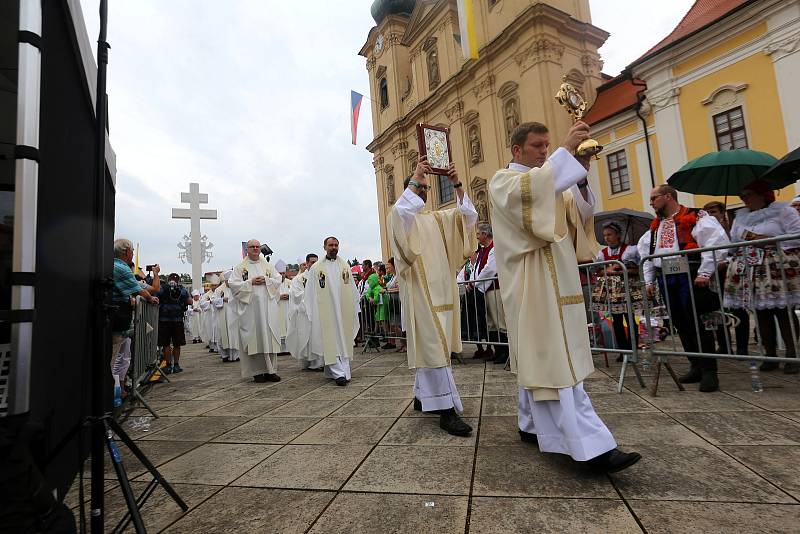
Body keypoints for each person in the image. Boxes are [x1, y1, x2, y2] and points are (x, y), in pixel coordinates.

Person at [488, 120, 640, 473]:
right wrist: (566, 151)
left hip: (557, 281)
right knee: (554, 361)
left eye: (547, 145)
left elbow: (582, 214)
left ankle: (530, 424)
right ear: (517, 150)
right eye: (538, 146)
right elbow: (532, 194)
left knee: (541, 356)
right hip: (531, 284)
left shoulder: (549, 181)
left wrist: (581, 174)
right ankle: (592, 448)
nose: (544, 151)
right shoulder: (504, 181)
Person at [388, 156, 478, 437]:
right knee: (434, 347)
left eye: (426, 190)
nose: (424, 194)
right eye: (419, 189)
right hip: (421, 295)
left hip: (444, 293)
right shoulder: (401, 217)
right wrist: (416, 177)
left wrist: (457, 184)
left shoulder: (438, 219)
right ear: (410, 191)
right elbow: (402, 212)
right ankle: (446, 410)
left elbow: (468, 217)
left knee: (434, 347)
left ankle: (422, 396)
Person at [642, 185, 730, 391]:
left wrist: (705, 272)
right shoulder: (655, 227)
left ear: (668, 196)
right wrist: (649, 281)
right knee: (680, 322)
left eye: (654, 198)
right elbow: (647, 255)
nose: (651, 202)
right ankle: (695, 365)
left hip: (690, 274)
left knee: (698, 321)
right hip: (666, 276)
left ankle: (709, 370)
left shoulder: (696, 216)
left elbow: (715, 242)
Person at [724, 180, 800, 374]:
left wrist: (767, 241)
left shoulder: (784, 212)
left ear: (762, 195)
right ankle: (770, 354)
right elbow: (733, 242)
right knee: (760, 313)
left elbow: (796, 235)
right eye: (742, 196)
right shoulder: (741, 218)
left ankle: (792, 354)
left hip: (776, 266)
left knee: (783, 311)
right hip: (751, 267)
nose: (744, 199)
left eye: (747, 194)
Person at [304, 237, 360, 386]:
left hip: (343, 311)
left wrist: (355, 305)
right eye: (330, 245)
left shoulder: (345, 266)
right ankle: (339, 373)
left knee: (342, 340)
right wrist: (311, 311)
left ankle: (340, 371)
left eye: (336, 245)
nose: (333, 247)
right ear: (324, 247)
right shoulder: (316, 268)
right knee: (330, 341)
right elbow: (309, 292)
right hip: (326, 311)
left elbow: (353, 290)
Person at [229, 239, 282, 383]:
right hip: (250, 309)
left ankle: (271, 371)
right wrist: (250, 282)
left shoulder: (268, 266)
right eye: (252, 247)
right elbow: (233, 285)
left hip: (267, 309)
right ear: (247, 249)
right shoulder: (240, 268)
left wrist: (266, 280)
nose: (255, 249)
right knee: (254, 338)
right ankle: (257, 372)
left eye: (257, 247)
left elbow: (278, 279)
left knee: (268, 338)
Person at [591, 222, 641, 362]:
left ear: (618, 235)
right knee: (617, 321)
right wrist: (608, 270)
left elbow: (638, 269)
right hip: (611, 291)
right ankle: (623, 351)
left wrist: (620, 269)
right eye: (605, 235)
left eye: (610, 234)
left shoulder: (630, 250)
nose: (607, 238)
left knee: (630, 319)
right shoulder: (603, 253)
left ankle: (633, 349)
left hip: (627, 289)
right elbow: (598, 270)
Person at [111, 239, 158, 381]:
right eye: (132, 250)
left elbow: (152, 289)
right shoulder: (121, 268)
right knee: (114, 358)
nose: (132, 253)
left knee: (121, 356)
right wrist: (150, 299)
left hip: (120, 320)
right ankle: (114, 390)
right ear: (127, 252)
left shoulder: (115, 266)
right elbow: (140, 292)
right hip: (117, 319)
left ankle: (120, 387)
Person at [473, 223, 508, 364]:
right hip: (486, 289)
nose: (477, 237)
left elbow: (490, 269)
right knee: (491, 323)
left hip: (495, 289)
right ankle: (497, 351)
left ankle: (504, 352)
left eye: (478, 234)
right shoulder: (483, 250)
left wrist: (476, 282)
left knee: (499, 321)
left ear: (485, 235)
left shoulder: (494, 248)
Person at [287, 253, 323, 370]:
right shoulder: (299, 279)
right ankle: (310, 362)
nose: (315, 264)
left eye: (317, 262)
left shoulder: (321, 276)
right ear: (307, 264)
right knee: (307, 337)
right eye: (312, 262)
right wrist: (311, 297)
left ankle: (319, 362)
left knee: (318, 336)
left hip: (318, 312)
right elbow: (296, 295)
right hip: (305, 312)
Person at [155, 273, 193, 374]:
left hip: (164, 319)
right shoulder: (182, 289)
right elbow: (190, 302)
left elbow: (156, 296)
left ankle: (168, 366)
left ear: (168, 280)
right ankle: (176, 365)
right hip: (177, 320)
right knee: (177, 343)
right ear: (178, 280)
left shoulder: (163, 288)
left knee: (166, 344)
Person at [458, 250, 490, 359]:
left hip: (481, 297)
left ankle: (489, 348)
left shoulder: (480, 263)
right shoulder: (467, 266)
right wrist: (466, 284)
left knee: (483, 322)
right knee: (473, 324)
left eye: (473, 254)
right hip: (470, 300)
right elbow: (459, 279)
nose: (471, 256)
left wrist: (473, 283)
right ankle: (479, 348)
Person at [217, 270, 241, 363]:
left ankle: (235, 356)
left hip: (235, 316)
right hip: (223, 315)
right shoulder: (219, 290)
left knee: (235, 335)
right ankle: (225, 355)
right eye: (227, 281)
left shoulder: (236, 287)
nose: (229, 283)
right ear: (225, 281)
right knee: (223, 335)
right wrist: (222, 300)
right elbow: (214, 301)